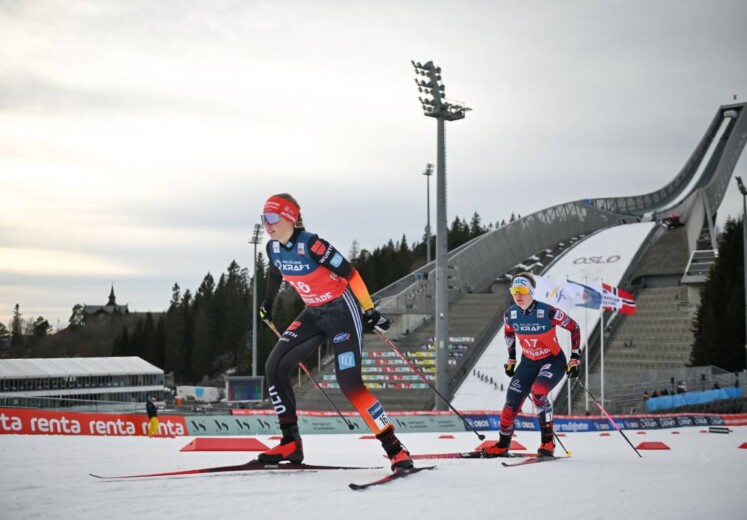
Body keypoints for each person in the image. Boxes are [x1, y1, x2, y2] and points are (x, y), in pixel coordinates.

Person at [255, 193, 412, 471]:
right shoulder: (273, 249)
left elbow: (351, 274)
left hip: (341, 312)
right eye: (263, 218)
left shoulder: (312, 245)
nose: (266, 224)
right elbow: (275, 274)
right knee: (275, 366)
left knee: (350, 385)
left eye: (272, 217)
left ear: (289, 217)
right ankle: (290, 442)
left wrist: (369, 310)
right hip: (314, 314)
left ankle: (395, 448)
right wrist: (267, 304)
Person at [484, 272, 581, 457]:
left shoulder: (548, 311)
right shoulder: (511, 313)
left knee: (538, 392)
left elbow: (574, 327)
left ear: (531, 292)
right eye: (514, 291)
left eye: (521, 290)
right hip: (528, 363)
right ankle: (503, 444)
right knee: (511, 402)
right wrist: (511, 358)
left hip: (552, 361)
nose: (517, 295)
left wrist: (575, 357)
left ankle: (547, 442)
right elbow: (508, 333)